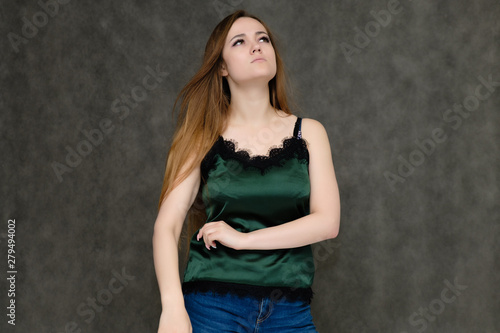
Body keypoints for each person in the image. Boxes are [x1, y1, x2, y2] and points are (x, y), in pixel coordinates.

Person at [152, 9, 340, 333]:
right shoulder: (202, 138)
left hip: (289, 312)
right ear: (222, 67)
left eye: (263, 38)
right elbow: (166, 227)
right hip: (212, 309)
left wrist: (243, 240)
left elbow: (327, 223)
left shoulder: (309, 133)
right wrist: (171, 307)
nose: (256, 46)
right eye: (240, 41)